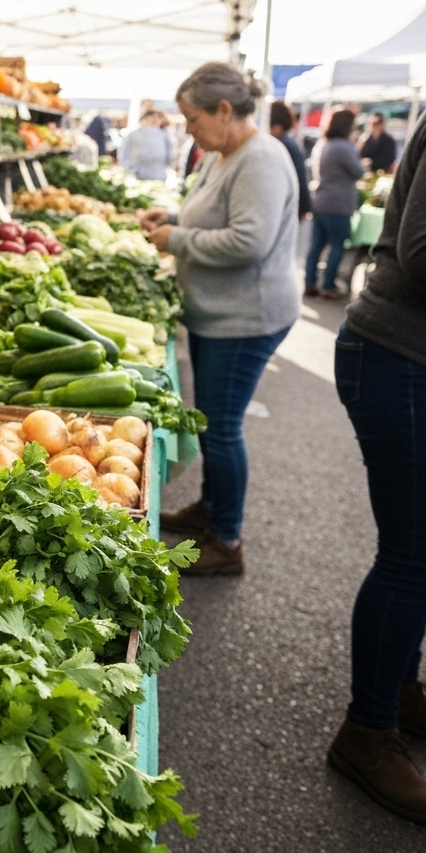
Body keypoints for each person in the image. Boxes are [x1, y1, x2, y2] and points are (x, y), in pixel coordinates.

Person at [327, 83, 426, 828]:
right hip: (409, 360)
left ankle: (399, 693)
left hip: (425, 363)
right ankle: (367, 732)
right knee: (417, 552)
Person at [140, 63, 300, 575]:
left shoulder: (261, 160)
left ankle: (226, 541)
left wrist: (176, 240)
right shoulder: (222, 154)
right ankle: (210, 509)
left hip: (245, 318)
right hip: (215, 314)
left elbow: (248, 242)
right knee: (210, 420)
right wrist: (170, 220)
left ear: (224, 110)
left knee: (223, 428)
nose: (186, 128)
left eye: (191, 118)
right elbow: (208, 215)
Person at [305, 109, 363, 300]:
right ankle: (328, 285)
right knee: (338, 244)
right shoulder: (343, 146)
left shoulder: (324, 144)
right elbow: (358, 171)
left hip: (321, 200)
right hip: (337, 203)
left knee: (317, 245)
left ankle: (310, 283)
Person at [269, 101, 311, 221]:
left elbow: (299, 177)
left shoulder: (282, 144)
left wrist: (302, 207)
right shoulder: (290, 142)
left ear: (277, 127)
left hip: (289, 206)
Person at [119, 110, 175, 181]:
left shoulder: (164, 135)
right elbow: (124, 154)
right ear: (145, 118)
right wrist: (128, 169)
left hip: (159, 176)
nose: (156, 120)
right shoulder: (133, 135)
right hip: (137, 175)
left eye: (158, 118)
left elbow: (170, 156)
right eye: (153, 118)